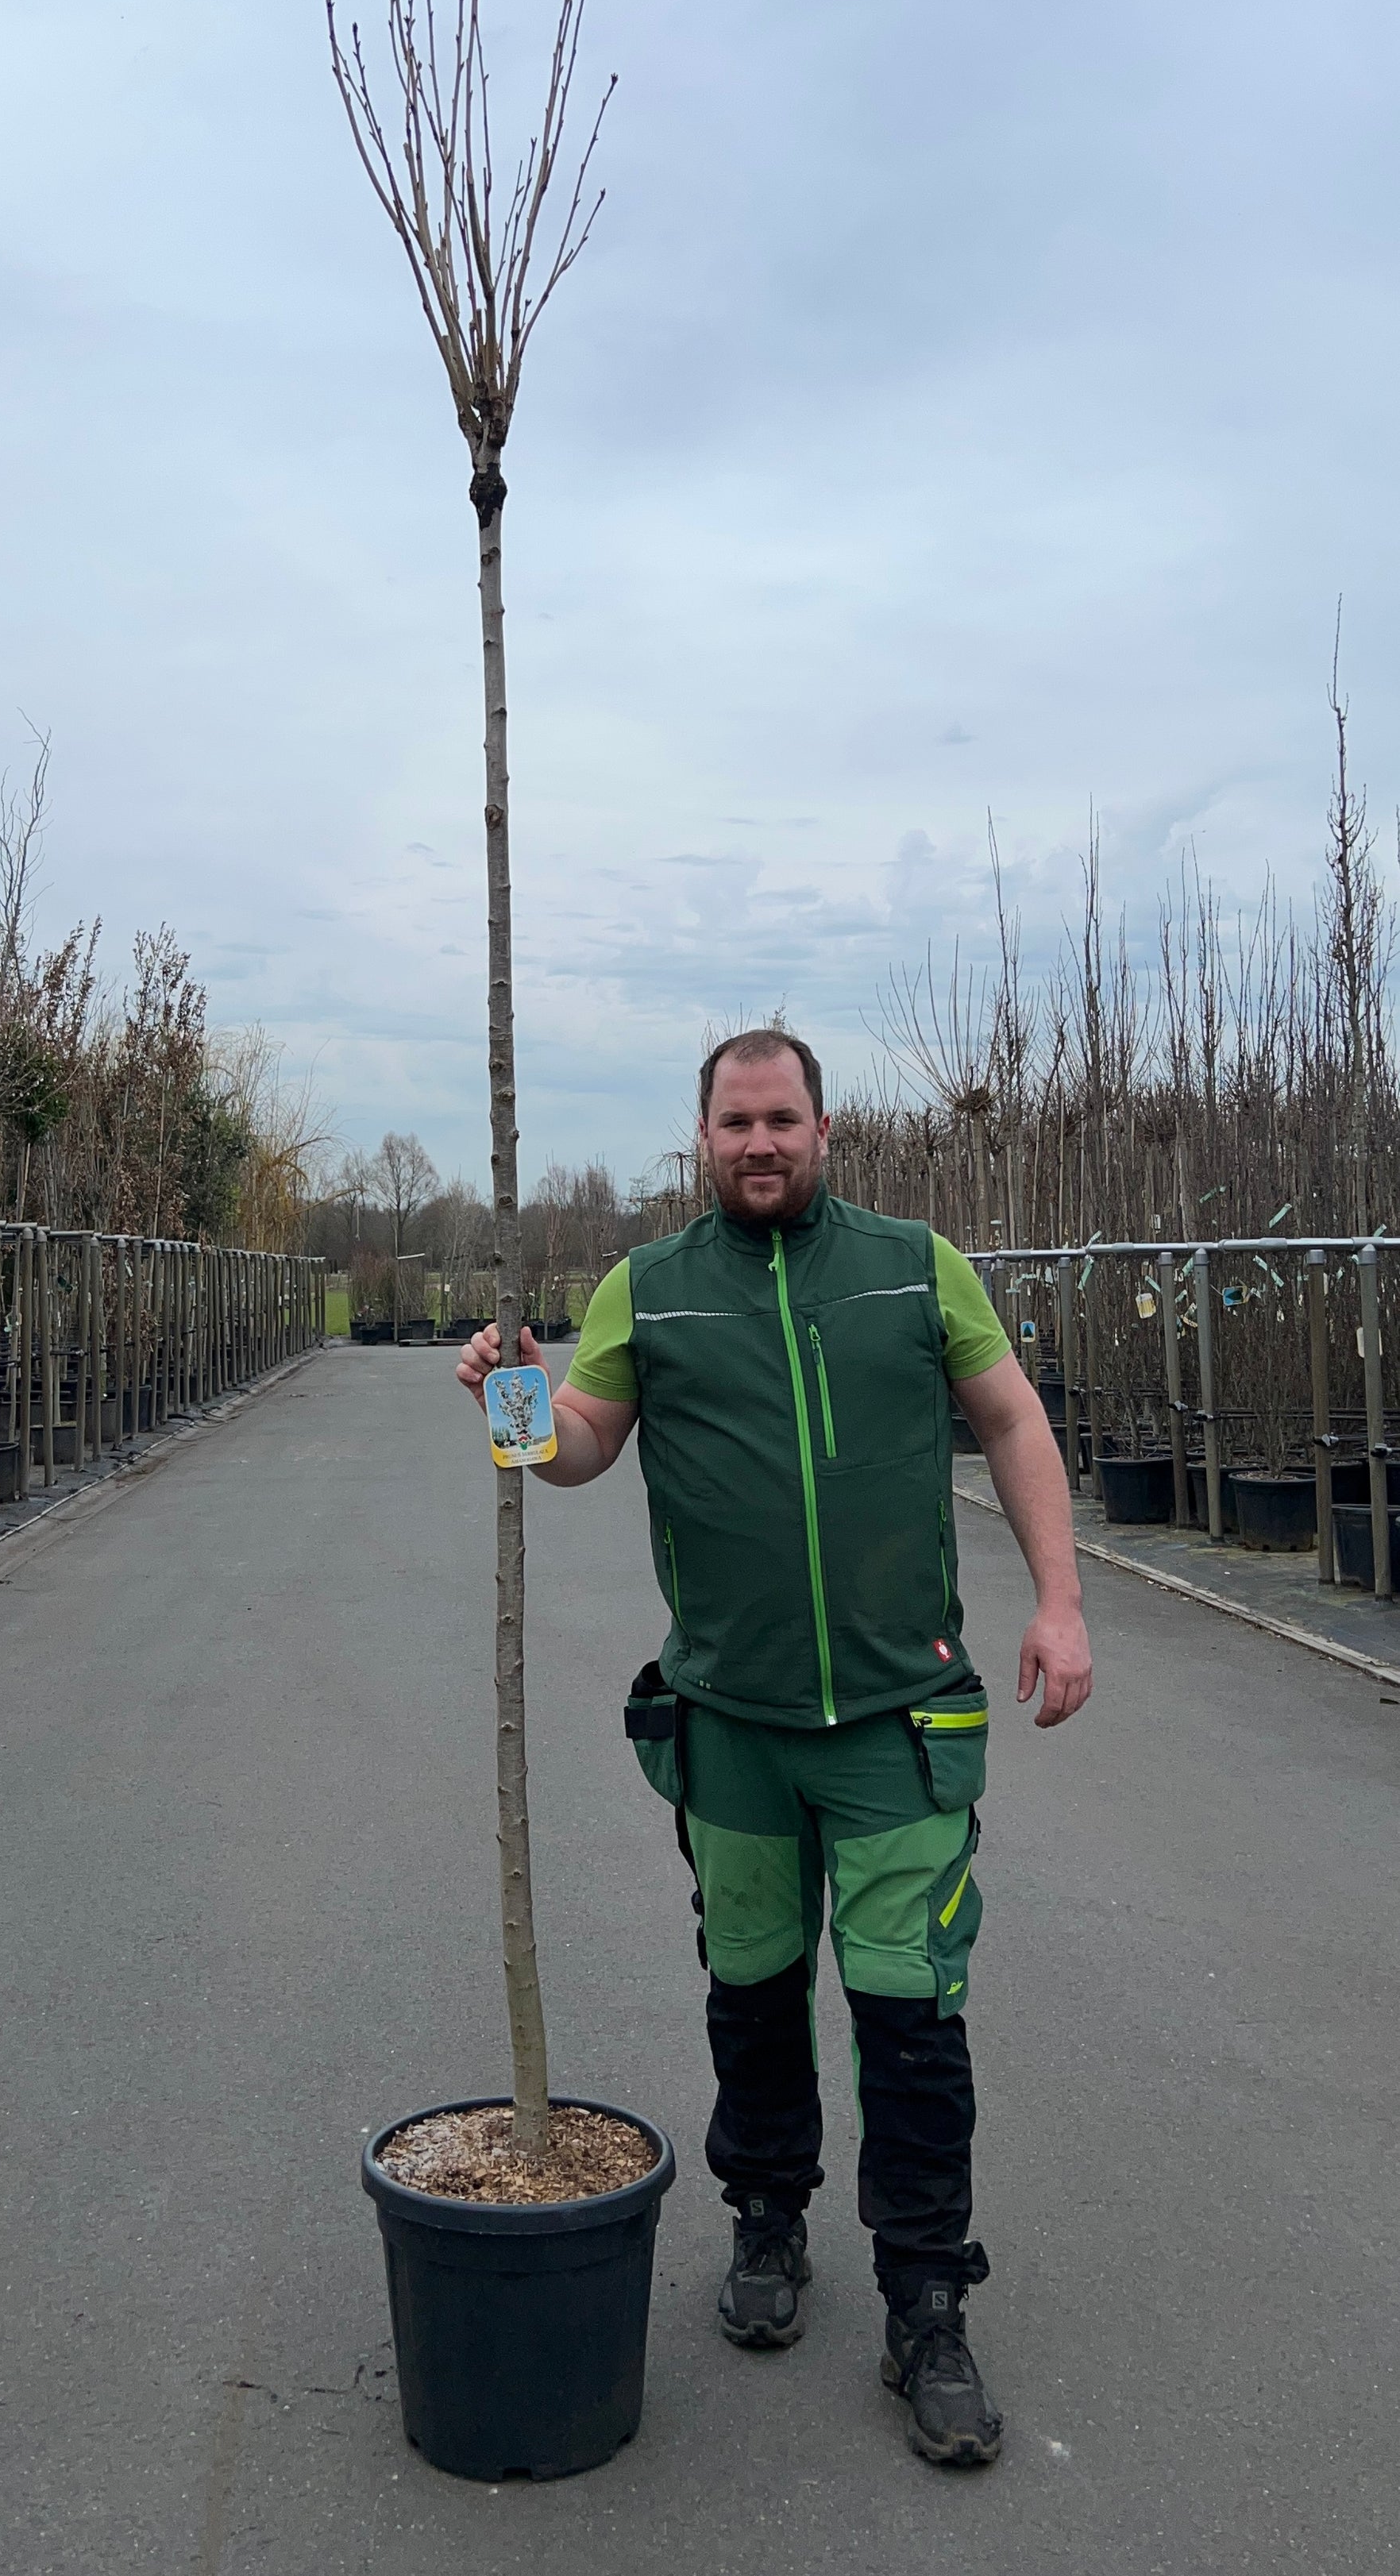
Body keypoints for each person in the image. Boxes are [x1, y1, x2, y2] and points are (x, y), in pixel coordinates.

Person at [457, 1027, 1091, 2469]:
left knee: (908, 2010)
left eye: (782, 1119)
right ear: (701, 1134)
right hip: (730, 1721)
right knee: (748, 1984)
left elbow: (1011, 1419)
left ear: (822, 1128)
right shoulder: (648, 1286)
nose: (759, 1142)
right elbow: (576, 1449)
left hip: (894, 1719)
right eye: (735, 1120)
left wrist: (1058, 1602)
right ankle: (766, 2216)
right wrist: (511, 1392)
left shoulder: (915, 1267)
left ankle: (926, 2296)